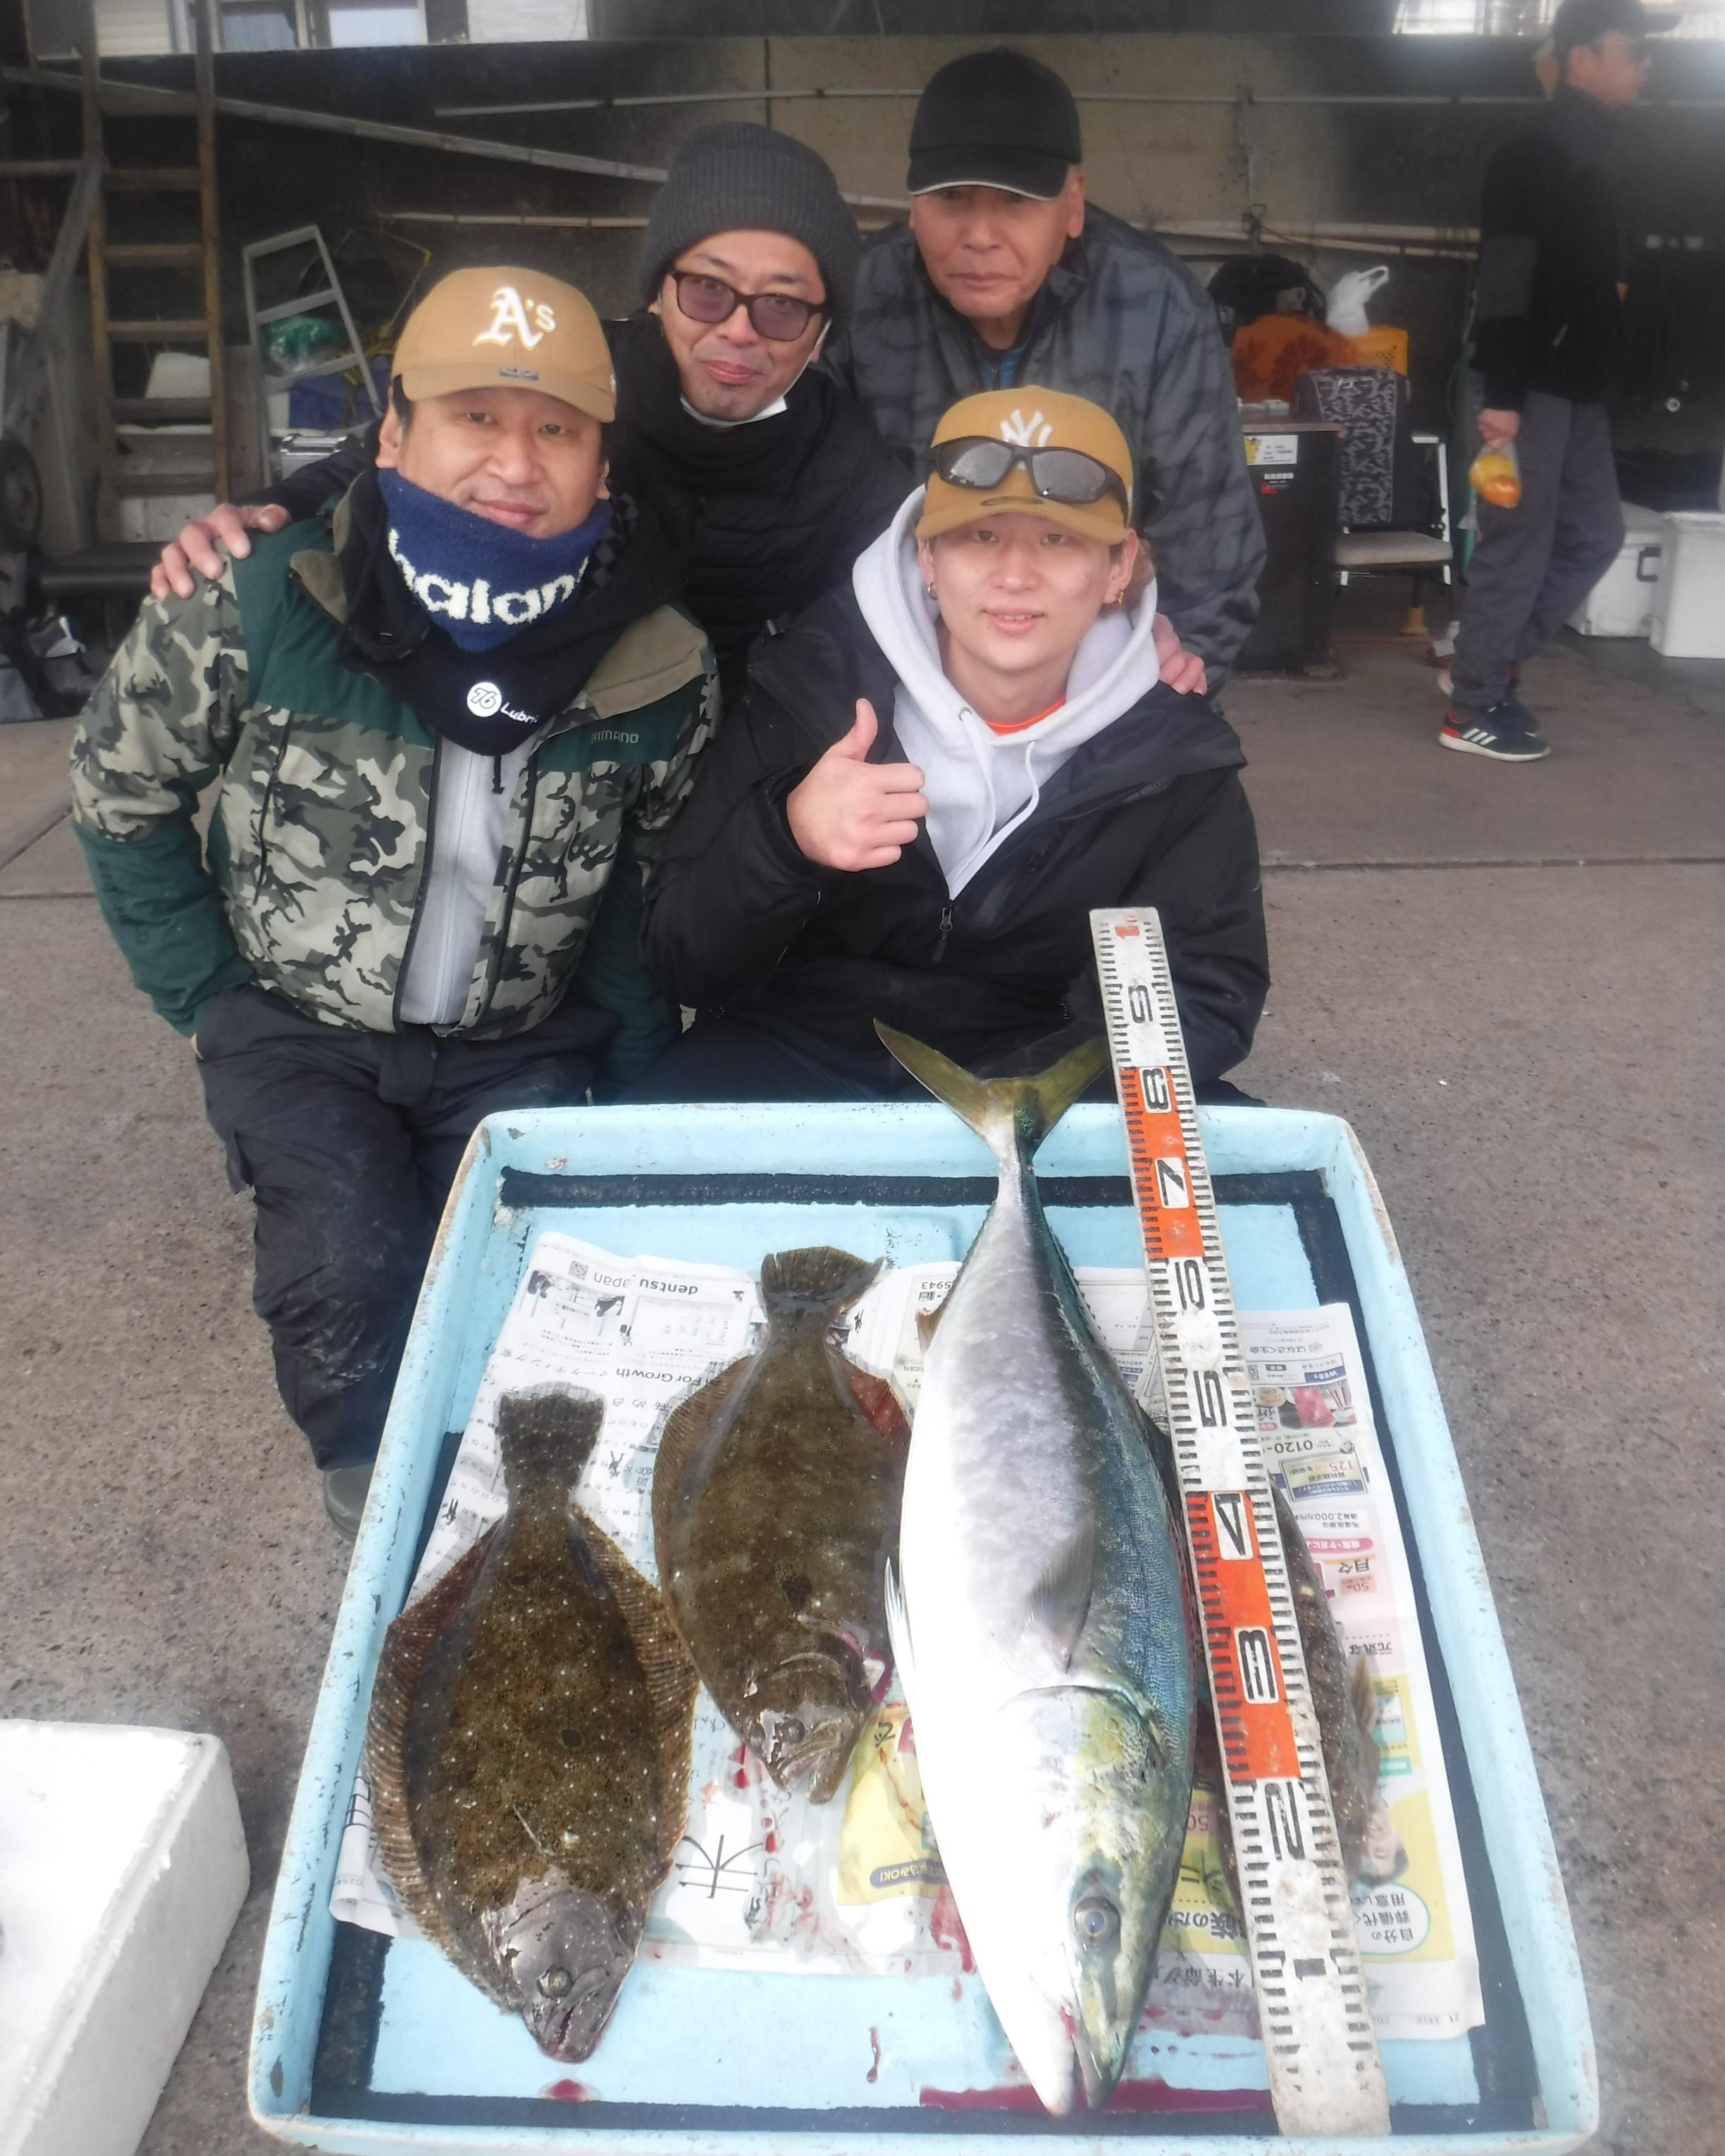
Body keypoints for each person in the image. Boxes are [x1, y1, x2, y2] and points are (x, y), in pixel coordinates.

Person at [70, 268, 718, 1535]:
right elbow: (117, 790)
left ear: (601, 468)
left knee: (544, 1291)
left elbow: (639, 889)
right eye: (475, 416)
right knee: (347, 1269)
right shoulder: (263, 594)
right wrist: (206, 1000)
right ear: (392, 435)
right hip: (300, 1032)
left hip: (523, 1038)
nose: (513, 464)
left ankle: (510, 1517)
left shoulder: (659, 660)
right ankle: (374, 1504)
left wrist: (637, 1077)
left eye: (555, 429)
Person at [629, 388, 1268, 1103]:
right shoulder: (808, 689)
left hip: (1037, 1075)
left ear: (1118, 567)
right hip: (792, 1050)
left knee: (1237, 1149)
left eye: (1058, 539)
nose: (1015, 576)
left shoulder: (1172, 759)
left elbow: (1204, 998)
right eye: (980, 536)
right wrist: (787, 836)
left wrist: (1022, 1097)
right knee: (631, 1156)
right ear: (927, 557)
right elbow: (682, 961)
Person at [152, 126, 909, 709]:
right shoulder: (568, 373)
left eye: (781, 306)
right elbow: (402, 453)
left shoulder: (852, 467)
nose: (739, 330)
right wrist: (270, 510)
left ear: (823, 331)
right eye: (708, 290)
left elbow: (880, 636)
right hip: (550, 748)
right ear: (657, 292)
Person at [825, 47, 1266, 682]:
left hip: (1097, 657)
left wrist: (1170, 691)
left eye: (1015, 201)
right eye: (951, 197)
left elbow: (1211, 544)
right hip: (900, 658)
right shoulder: (862, 301)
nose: (980, 235)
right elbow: (814, 518)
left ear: (1073, 202)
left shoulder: (1157, 309)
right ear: (914, 206)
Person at [1442, 0, 1666, 762]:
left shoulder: (1601, 152)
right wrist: (1503, 397)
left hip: (1576, 391)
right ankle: (1471, 709)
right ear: (1581, 58)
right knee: (1517, 548)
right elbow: (1507, 281)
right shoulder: (1535, 153)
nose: (1644, 65)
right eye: (1631, 51)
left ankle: (1487, 663)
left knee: (1596, 534)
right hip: (1527, 388)